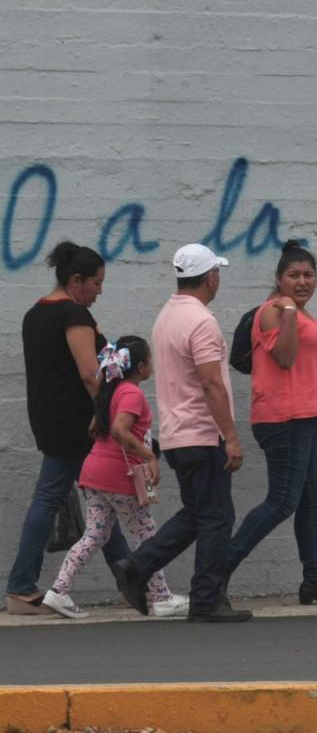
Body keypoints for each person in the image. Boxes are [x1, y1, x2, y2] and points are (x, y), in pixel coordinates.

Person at [111, 243, 252, 622]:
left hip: (176, 435)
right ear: (210, 277)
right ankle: (205, 600)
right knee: (217, 517)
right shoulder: (201, 321)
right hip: (203, 435)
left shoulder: (166, 318)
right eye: (217, 273)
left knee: (197, 513)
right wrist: (231, 437)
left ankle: (137, 567)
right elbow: (211, 384)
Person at [5, 241, 132, 615]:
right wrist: (107, 415)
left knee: (104, 498)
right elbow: (91, 374)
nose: (100, 290)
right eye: (96, 282)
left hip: (50, 418)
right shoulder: (72, 314)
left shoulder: (35, 313)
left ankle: (132, 577)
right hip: (80, 423)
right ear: (76, 280)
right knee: (62, 497)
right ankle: (20, 586)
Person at [226, 240, 317, 605]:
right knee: (282, 501)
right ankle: (217, 570)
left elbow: (308, 369)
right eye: (294, 275)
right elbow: (284, 358)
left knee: (314, 497)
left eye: (308, 275)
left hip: (305, 417)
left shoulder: (302, 313)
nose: (302, 282)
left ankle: (315, 579)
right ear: (279, 279)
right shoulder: (274, 312)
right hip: (283, 419)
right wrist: (290, 313)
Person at [42, 337, 188, 619]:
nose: (154, 366)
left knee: (94, 535)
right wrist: (148, 455)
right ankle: (160, 597)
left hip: (94, 474)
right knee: (147, 534)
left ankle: (59, 591)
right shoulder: (132, 394)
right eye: (151, 361)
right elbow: (121, 431)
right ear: (142, 367)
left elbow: (94, 428)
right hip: (121, 478)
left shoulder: (110, 390)